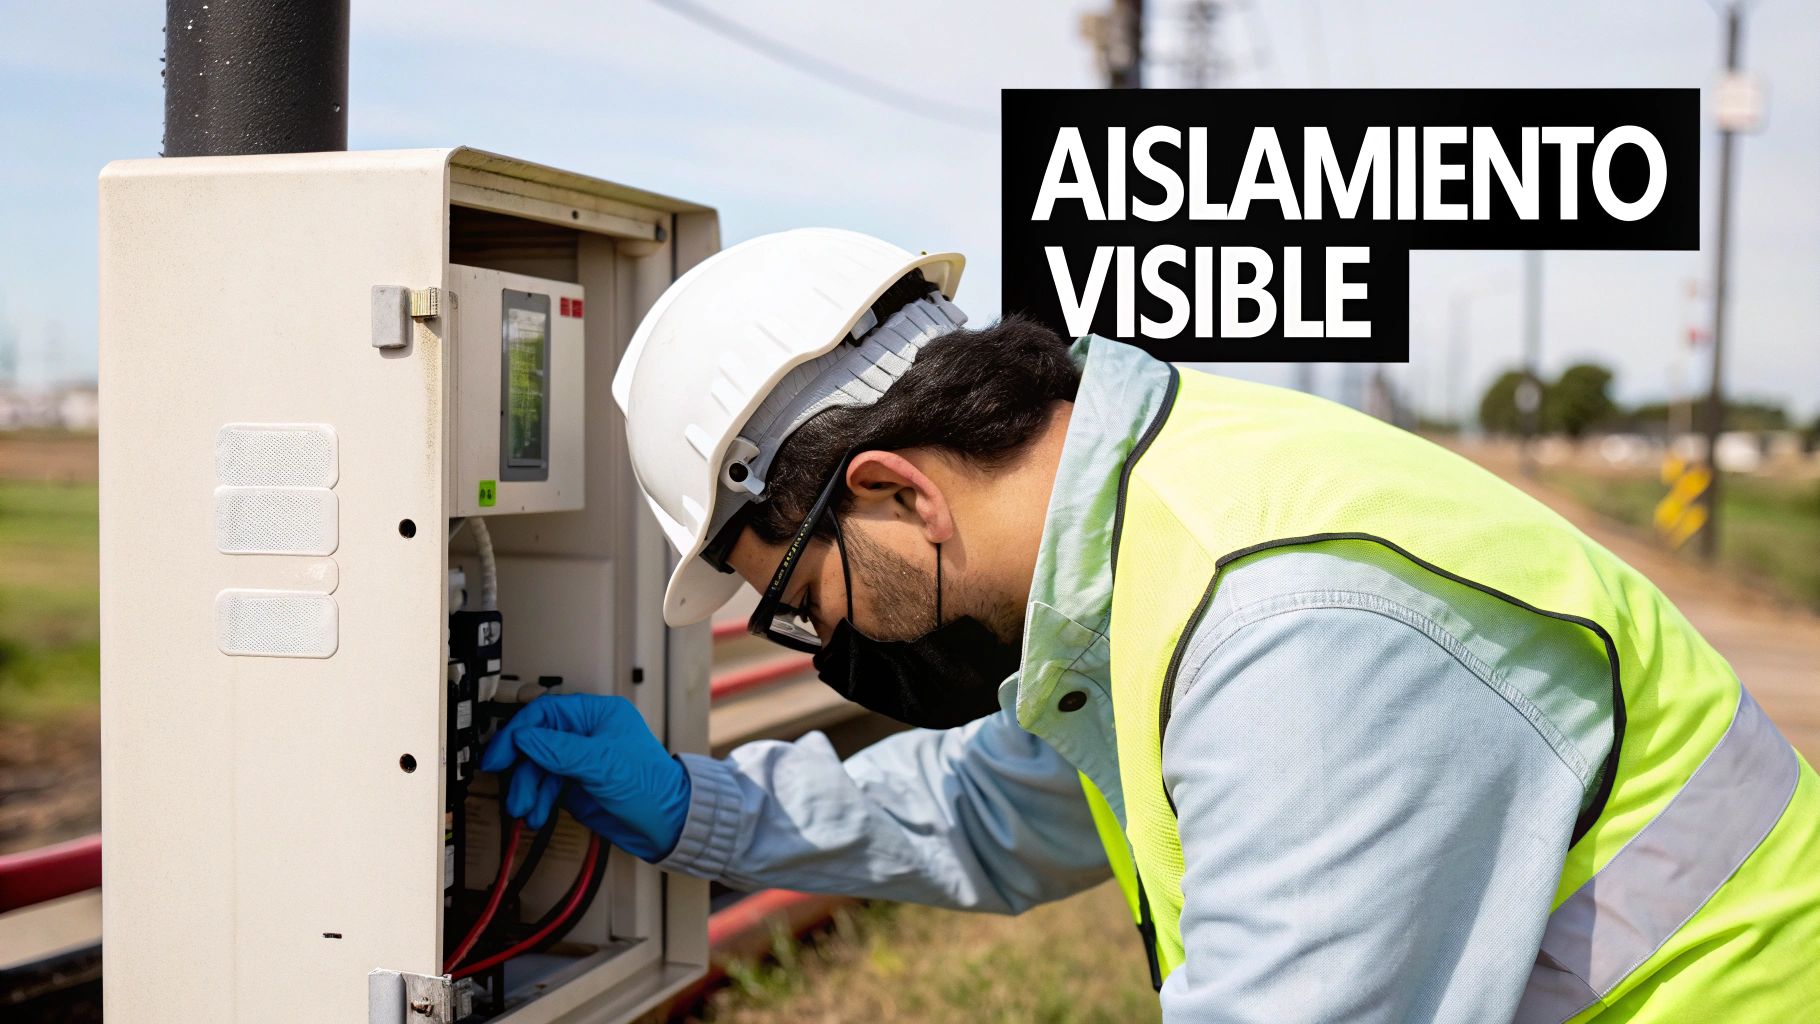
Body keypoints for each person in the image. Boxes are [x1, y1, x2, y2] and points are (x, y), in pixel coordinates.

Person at [481, 228, 1820, 1022]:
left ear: (891, 492)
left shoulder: (1288, 626)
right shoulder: (1140, 530)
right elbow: (990, 811)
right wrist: (686, 808)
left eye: (806, 600)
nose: (826, 641)